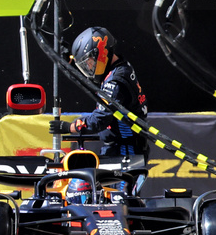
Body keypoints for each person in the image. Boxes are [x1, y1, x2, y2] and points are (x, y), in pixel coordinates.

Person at [53, 27, 149, 163]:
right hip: (120, 148)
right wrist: (70, 65)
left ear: (100, 53)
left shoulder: (115, 82)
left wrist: (70, 127)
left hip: (126, 152)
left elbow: (100, 120)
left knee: (105, 184)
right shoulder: (119, 68)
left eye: (90, 63)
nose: (89, 68)